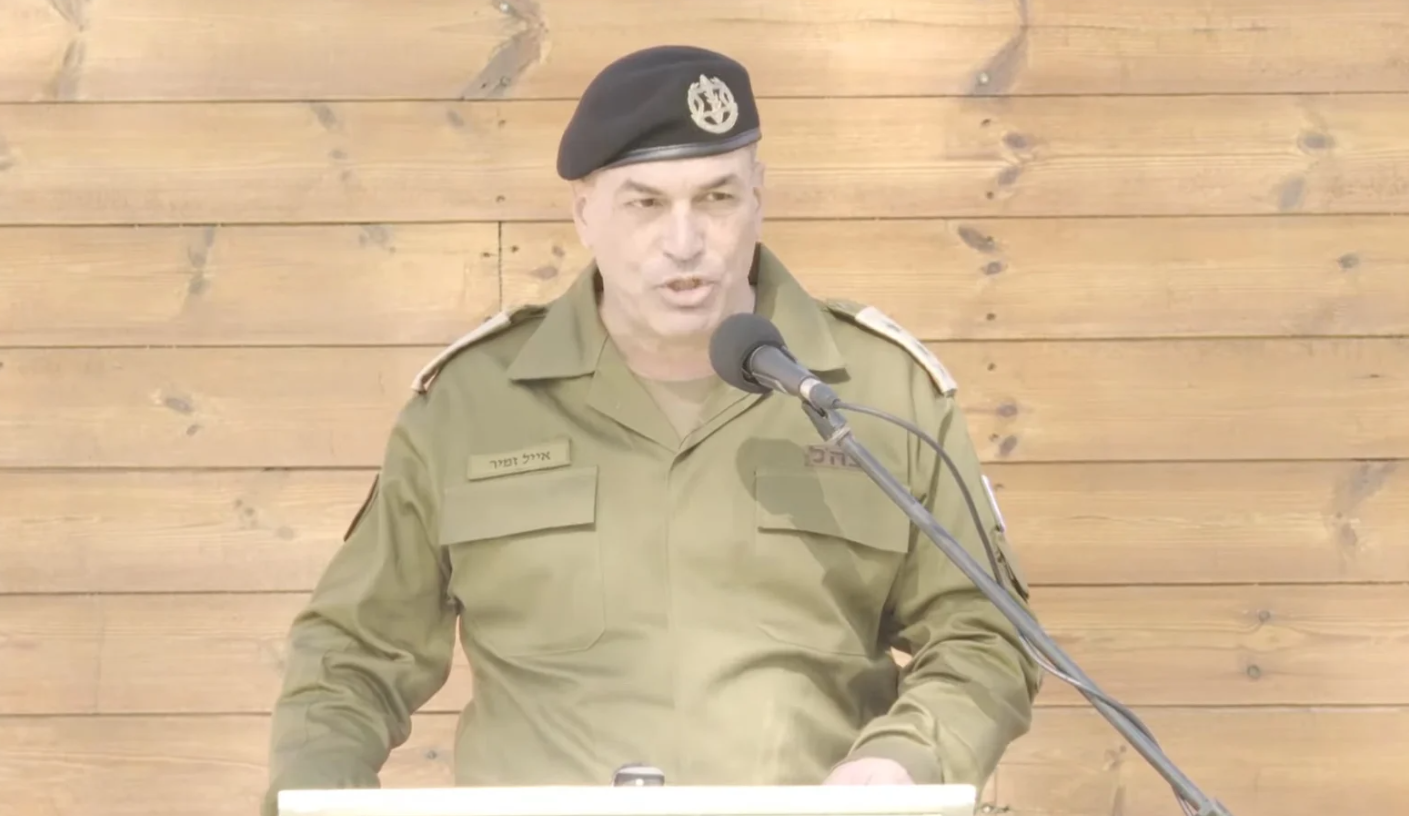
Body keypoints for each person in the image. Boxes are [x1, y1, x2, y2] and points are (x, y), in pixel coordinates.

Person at [262, 44, 1041, 816]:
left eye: (716, 198)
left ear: (759, 196)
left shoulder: (879, 393)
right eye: (645, 204)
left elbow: (984, 635)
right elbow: (350, 657)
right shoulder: (470, 406)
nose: (684, 241)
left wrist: (905, 759)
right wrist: (320, 797)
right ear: (584, 212)